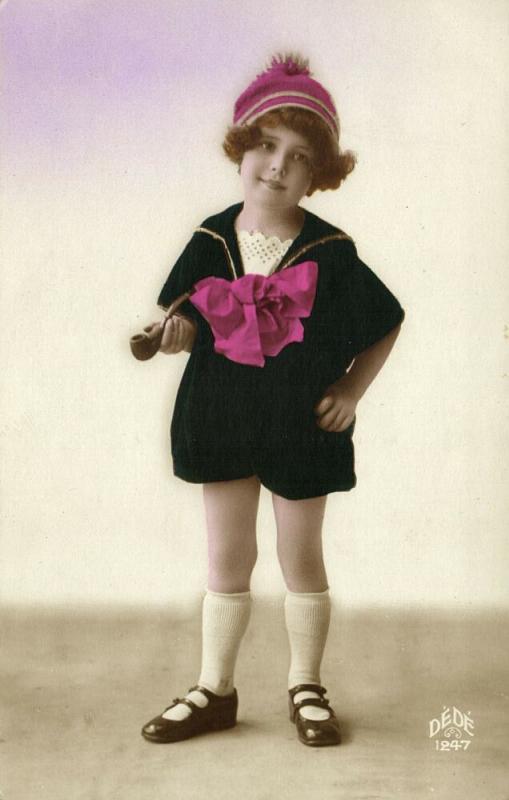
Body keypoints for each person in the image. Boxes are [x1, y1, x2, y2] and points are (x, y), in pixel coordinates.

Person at [140, 54, 404, 747]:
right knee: (227, 562)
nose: (276, 166)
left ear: (319, 173)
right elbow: (187, 314)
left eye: (298, 155)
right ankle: (214, 688)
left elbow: (385, 320)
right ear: (241, 147)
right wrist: (175, 332)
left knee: (300, 558)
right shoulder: (209, 236)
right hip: (220, 416)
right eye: (264, 145)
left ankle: (305, 684)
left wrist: (350, 389)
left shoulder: (331, 251)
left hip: (299, 427)